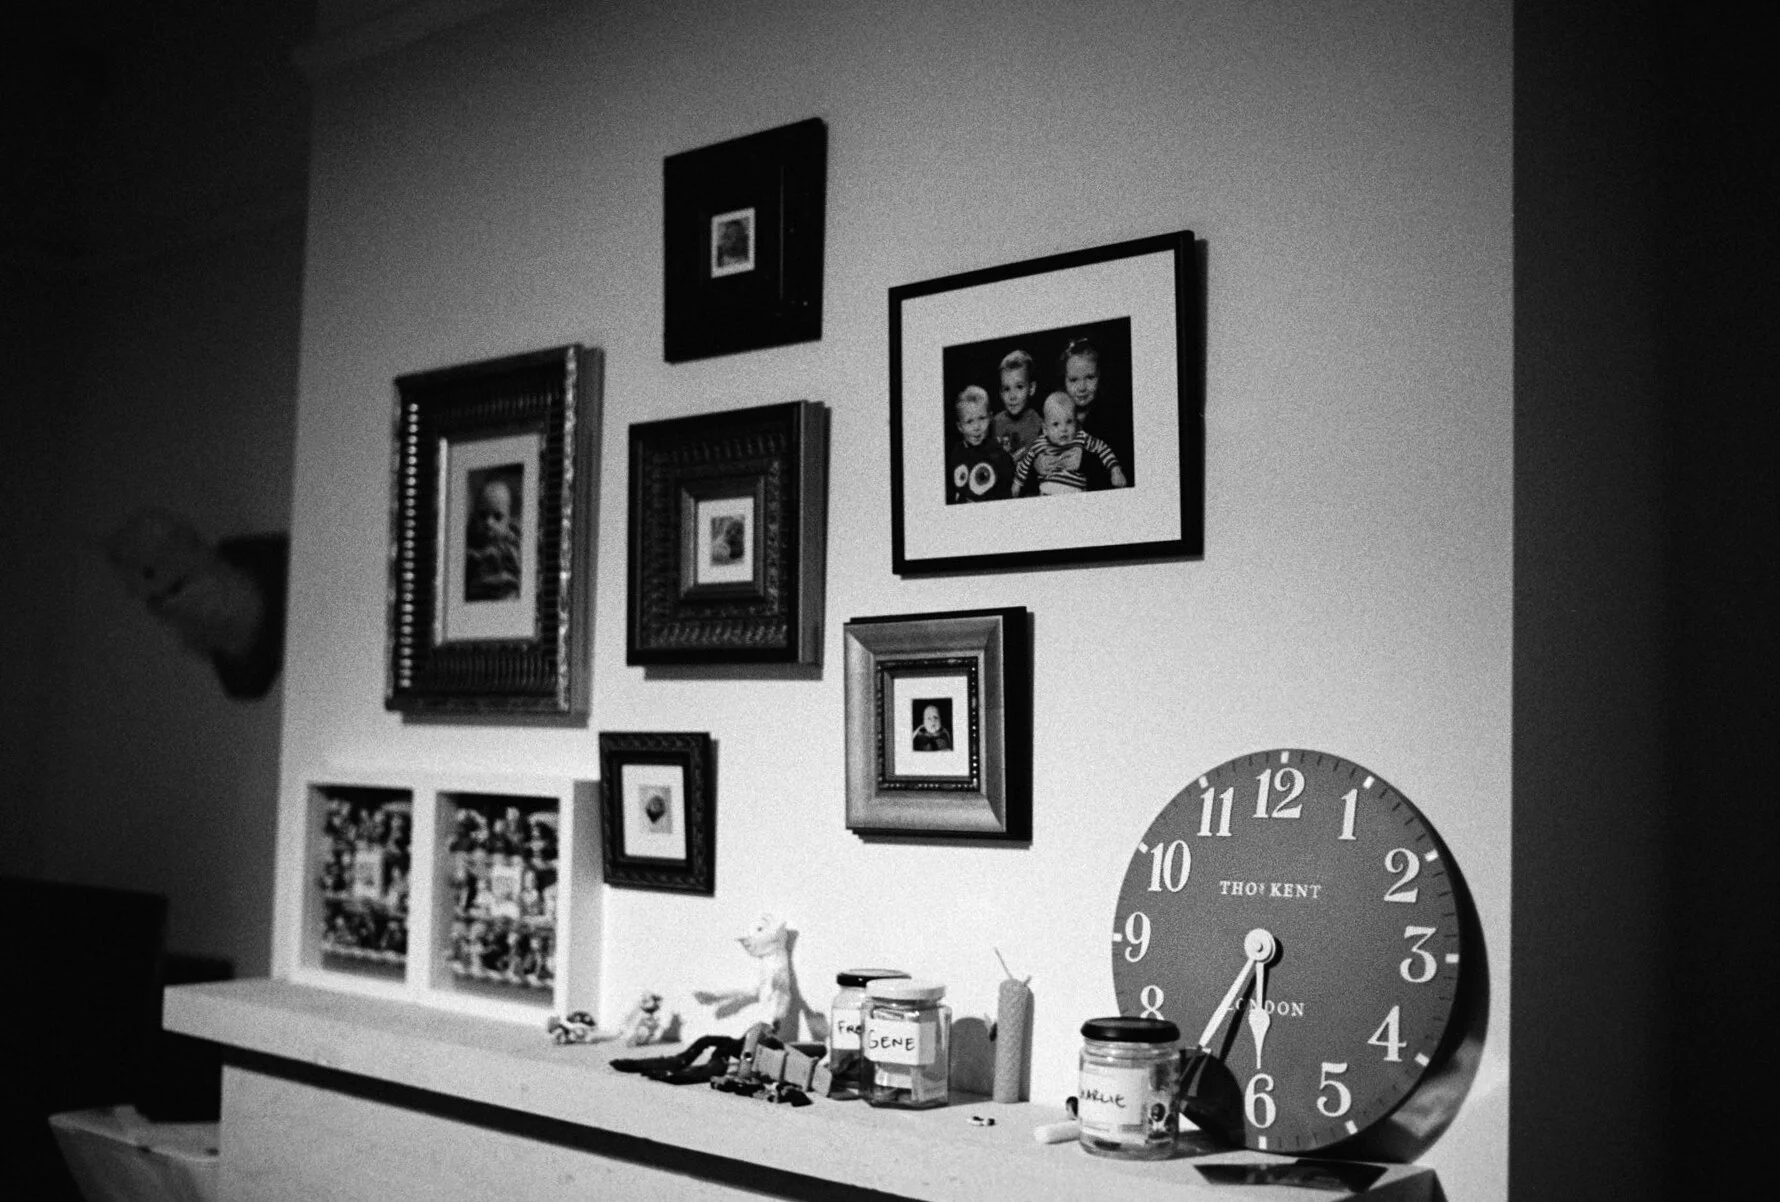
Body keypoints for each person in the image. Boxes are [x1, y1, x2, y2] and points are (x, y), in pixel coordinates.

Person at [1012, 393, 1129, 496]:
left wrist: (1115, 470)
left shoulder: (1080, 437)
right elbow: (1025, 463)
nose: (1063, 429)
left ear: (1076, 422)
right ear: (1045, 429)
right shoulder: (1040, 443)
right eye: (1056, 424)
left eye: (1069, 422)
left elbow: (1102, 448)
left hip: (1075, 493)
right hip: (1047, 493)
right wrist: (1017, 484)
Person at [945, 385, 1015, 503]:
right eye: (969, 421)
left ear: (990, 418)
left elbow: (1006, 493)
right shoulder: (956, 453)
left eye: (982, 418)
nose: (976, 427)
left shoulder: (998, 454)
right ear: (960, 427)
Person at [465, 476, 521, 600]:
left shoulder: (513, 545)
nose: (488, 523)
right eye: (482, 515)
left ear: (508, 520)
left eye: (497, 516)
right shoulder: (471, 544)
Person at [992, 349, 1044, 462]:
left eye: (1019, 387)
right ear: (1001, 393)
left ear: (1031, 388)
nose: (1012, 396)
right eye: (1006, 389)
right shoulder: (994, 423)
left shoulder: (1038, 424)